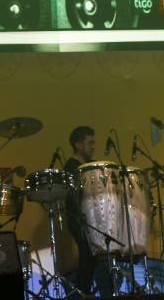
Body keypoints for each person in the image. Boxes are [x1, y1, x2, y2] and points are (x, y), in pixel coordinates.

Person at [64, 126, 97, 295]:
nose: (93, 146)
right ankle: (81, 293)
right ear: (78, 144)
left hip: (88, 219)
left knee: (91, 258)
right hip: (79, 219)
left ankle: (84, 292)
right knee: (88, 257)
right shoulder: (72, 167)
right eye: (89, 142)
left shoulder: (86, 166)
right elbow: (75, 198)